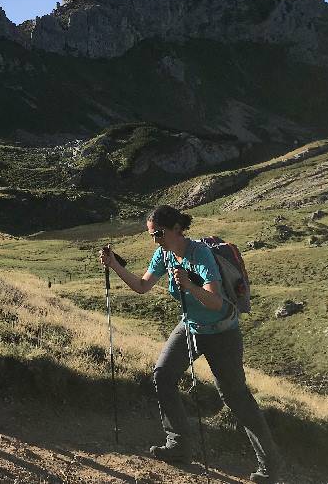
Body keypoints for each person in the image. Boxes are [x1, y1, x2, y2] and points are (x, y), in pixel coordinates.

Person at [99, 205, 282, 483]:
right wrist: (114, 264)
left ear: (176, 229)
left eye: (158, 233)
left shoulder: (201, 255)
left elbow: (216, 301)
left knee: (235, 397)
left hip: (222, 332)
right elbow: (142, 286)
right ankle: (178, 446)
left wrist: (188, 285)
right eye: (151, 234)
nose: (155, 239)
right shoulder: (163, 253)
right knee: (163, 374)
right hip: (191, 327)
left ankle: (270, 465)